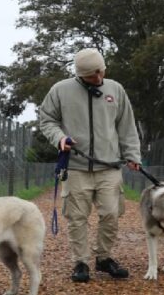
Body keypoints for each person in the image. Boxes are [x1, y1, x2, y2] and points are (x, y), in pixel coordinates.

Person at [40, 48, 142, 282]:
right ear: (78, 74)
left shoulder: (115, 89)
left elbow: (127, 126)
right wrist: (59, 138)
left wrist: (132, 154)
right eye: (90, 76)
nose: (97, 79)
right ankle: (81, 262)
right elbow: (46, 119)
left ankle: (104, 258)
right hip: (76, 166)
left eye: (99, 73)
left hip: (109, 166)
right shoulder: (60, 90)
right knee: (77, 217)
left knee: (111, 213)